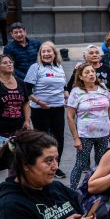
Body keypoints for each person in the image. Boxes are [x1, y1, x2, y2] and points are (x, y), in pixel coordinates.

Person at [66, 64, 110, 188]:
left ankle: (96, 189)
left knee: (101, 164)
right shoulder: (76, 92)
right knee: (80, 164)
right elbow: (70, 117)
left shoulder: (103, 88)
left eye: (92, 71)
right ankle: (72, 191)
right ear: (81, 77)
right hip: (85, 135)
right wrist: (76, 138)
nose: (91, 74)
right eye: (87, 72)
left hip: (103, 134)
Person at [24, 42, 67, 178]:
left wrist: (66, 94)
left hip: (58, 108)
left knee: (59, 138)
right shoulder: (35, 67)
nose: (46, 54)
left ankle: (55, 166)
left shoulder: (59, 67)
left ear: (54, 54)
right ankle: (41, 167)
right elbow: (26, 90)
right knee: (42, 139)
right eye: (43, 52)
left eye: (49, 51)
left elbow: (64, 86)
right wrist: (38, 102)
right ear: (40, 54)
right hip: (40, 109)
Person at [0, 54, 31, 137]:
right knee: (2, 150)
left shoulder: (20, 82)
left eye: (10, 62)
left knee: (19, 150)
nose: (9, 64)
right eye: (5, 63)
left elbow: (26, 103)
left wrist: (27, 121)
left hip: (20, 129)